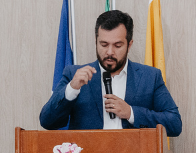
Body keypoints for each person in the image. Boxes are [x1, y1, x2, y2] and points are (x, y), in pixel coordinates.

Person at [39, 10, 182, 136]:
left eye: (117, 45)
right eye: (104, 44)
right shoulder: (73, 75)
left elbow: (174, 124)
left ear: (129, 45)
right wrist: (71, 89)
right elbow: (47, 121)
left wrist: (131, 113)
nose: (109, 52)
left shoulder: (150, 77)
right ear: (96, 42)